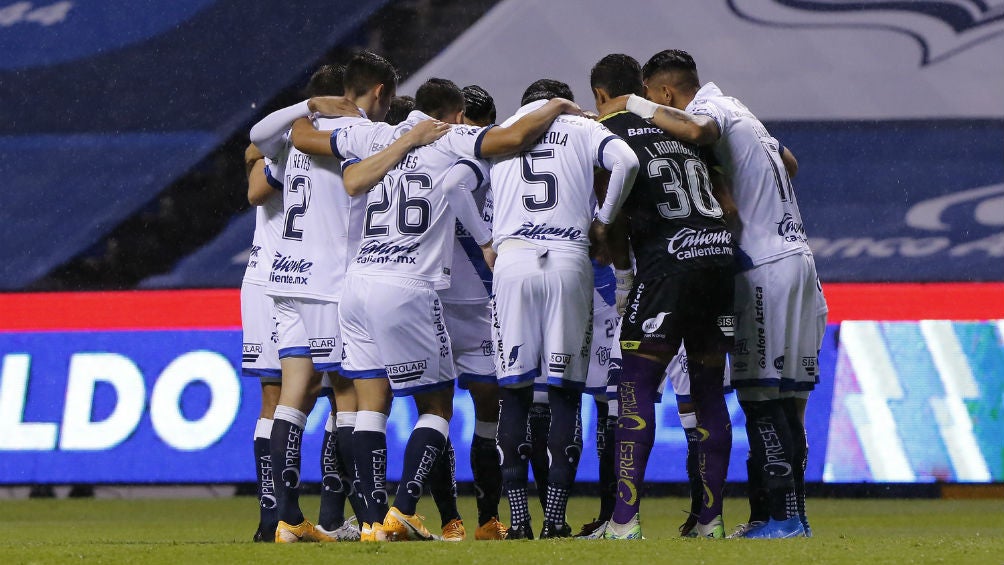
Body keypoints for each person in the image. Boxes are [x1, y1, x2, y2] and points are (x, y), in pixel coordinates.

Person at [324, 77, 582, 542]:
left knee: (370, 406)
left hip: (358, 283)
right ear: (457, 115)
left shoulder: (382, 135)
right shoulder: (455, 138)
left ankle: (373, 520)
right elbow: (515, 138)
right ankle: (407, 510)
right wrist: (560, 104)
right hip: (413, 286)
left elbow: (336, 162)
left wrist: (313, 104)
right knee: (440, 406)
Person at [618, 49, 827, 538]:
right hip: (800, 257)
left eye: (655, 99)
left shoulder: (707, 112)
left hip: (763, 266)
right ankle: (788, 515)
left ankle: (780, 518)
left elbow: (699, 133)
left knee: (759, 396)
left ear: (665, 93)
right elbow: (788, 162)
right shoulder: (741, 109)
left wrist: (635, 107)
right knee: (790, 397)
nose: (657, 109)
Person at [248, 52, 443, 543]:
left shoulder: (292, 135)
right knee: (350, 395)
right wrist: (407, 138)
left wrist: (304, 104)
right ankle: (365, 514)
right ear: (377, 92)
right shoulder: (353, 134)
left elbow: (256, 141)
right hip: (327, 279)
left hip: (285, 278)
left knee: (294, 395)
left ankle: (288, 519)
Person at [591, 53, 736, 540]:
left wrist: (624, 270)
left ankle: (625, 521)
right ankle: (711, 521)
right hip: (717, 260)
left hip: (666, 268)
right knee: (708, 390)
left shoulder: (606, 127)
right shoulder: (681, 127)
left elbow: (611, 216)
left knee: (636, 383)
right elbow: (729, 205)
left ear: (601, 94)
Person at [489, 78, 639, 539]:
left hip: (512, 259)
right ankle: (555, 518)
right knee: (565, 393)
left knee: (513, 394)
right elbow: (627, 161)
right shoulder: (580, 126)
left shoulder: (503, 130)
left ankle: (518, 520)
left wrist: (484, 239)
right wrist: (603, 220)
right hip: (568, 258)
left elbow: (458, 183)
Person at [429, 83, 508, 541]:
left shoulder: (420, 152)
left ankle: (451, 521)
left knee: (438, 412)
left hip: (435, 295)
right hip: (478, 300)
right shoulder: (486, 157)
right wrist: (485, 241)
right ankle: (487, 520)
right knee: (487, 413)